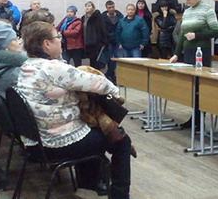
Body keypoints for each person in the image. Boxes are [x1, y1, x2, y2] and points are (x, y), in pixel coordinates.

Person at [18, 21, 132, 198]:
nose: (60, 40)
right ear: (46, 44)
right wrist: (116, 94)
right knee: (122, 140)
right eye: (57, 37)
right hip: (56, 142)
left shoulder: (26, 66)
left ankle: (86, 189)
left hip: (35, 141)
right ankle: (119, 196)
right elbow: (99, 83)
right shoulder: (54, 68)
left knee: (90, 130)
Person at [169, 0, 218, 129]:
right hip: (189, 53)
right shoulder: (187, 11)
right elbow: (184, 34)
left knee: (200, 87)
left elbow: (216, 31)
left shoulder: (207, 10)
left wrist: (196, 35)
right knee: (191, 87)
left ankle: (199, 119)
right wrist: (177, 54)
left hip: (201, 53)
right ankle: (194, 117)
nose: (187, 1)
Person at [102, 0, 124, 83]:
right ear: (107, 8)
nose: (111, 9)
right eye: (109, 8)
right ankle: (111, 75)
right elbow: (102, 30)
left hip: (118, 41)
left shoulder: (120, 16)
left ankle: (110, 74)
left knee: (117, 58)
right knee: (110, 59)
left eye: (113, 7)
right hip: (108, 41)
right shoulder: (103, 17)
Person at [81, 1, 107, 69]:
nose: (87, 8)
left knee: (96, 63)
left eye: (89, 6)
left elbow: (102, 28)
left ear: (93, 7)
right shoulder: (83, 18)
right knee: (91, 62)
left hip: (96, 43)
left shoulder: (97, 16)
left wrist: (103, 41)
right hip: (87, 43)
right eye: (86, 6)